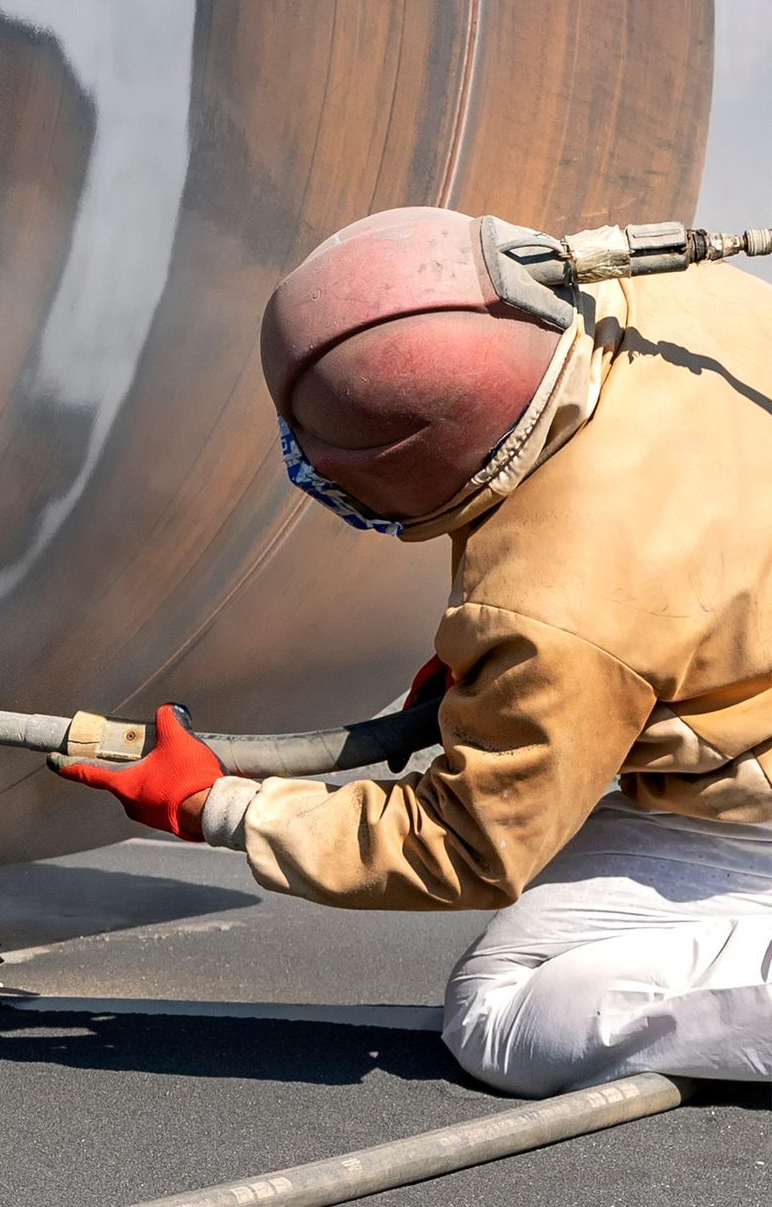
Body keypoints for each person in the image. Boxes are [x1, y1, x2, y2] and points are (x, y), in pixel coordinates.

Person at [52, 207, 772, 1097]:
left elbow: (470, 844)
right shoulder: (675, 295)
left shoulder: (557, 605)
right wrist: (516, 683)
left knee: (502, 1015)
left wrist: (222, 807)